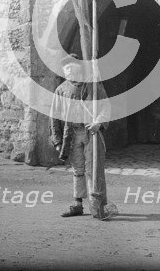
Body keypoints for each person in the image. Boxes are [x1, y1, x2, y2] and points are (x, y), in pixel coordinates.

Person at [49, 53, 111, 218]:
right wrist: (57, 140)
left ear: (79, 66)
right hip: (72, 134)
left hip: (92, 133)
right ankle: (77, 204)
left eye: (71, 66)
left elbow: (105, 106)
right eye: (65, 68)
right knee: (78, 170)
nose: (68, 70)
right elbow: (54, 117)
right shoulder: (61, 90)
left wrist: (99, 122)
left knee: (93, 169)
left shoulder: (93, 86)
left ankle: (96, 205)